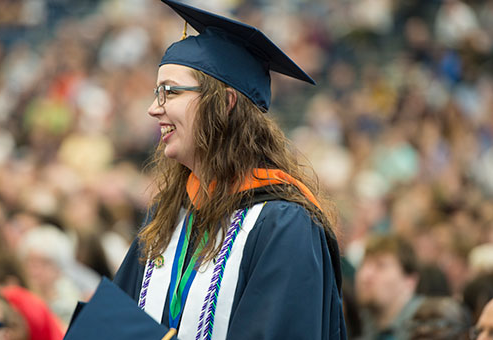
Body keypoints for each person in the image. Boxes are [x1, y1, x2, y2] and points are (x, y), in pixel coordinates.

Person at [111, 1, 347, 339]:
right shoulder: (167, 216)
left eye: (170, 93)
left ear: (224, 103)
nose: (153, 109)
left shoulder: (284, 226)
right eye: (156, 93)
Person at [355, 234, 424, 340]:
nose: (365, 274)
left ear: (410, 282)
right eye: (364, 264)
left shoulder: (431, 326)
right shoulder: (357, 324)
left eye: (380, 265)